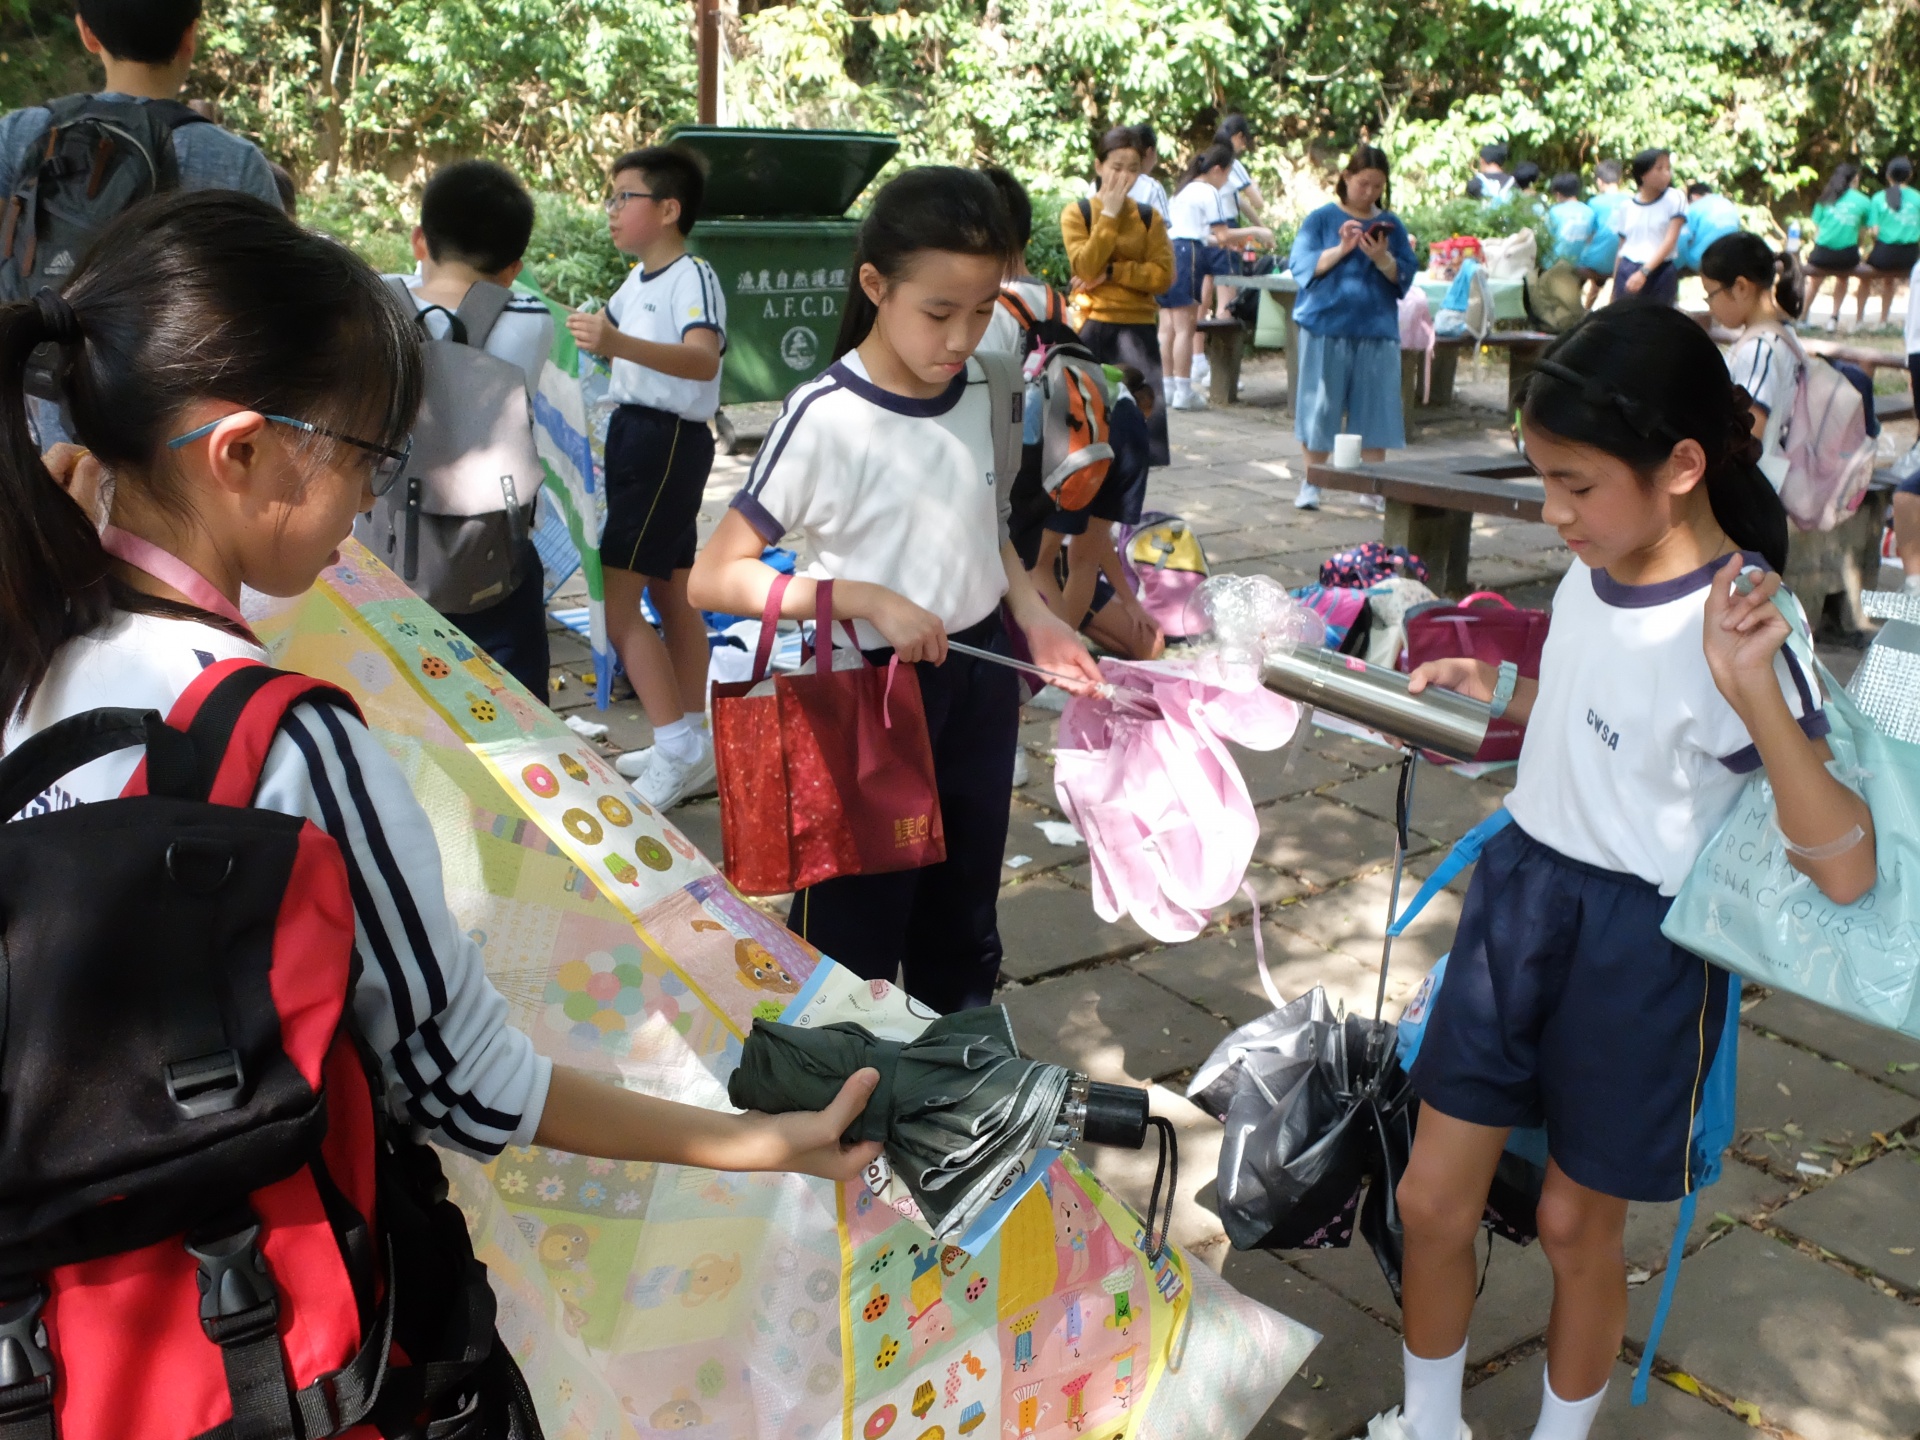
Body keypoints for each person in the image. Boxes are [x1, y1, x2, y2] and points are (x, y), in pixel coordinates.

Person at [0, 190, 881, 1424]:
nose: (372, 498)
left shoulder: (33, 635)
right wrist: (759, 1144)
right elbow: (465, 1087)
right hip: (247, 1335)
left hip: (52, 1327)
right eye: (363, 456)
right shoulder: (283, 741)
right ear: (238, 453)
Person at [1377, 303, 1875, 1440]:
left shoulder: (1744, 623)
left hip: (1642, 948)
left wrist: (1751, 690)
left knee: (1572, 1224)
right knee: (1430, 1198)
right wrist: (1507, 696)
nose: (1553, 512)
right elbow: (1608, 718)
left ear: (1682, 467)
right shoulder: (1595, 566)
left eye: (1577, 484)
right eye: (1543, 479)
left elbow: (1844, 866)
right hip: (1518, 903)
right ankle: (1428, 1424)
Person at [690, 167, 1103, 1014]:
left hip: (977, 680)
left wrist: (1036, 619)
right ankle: (840, 1086)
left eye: (982, 309)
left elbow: (987, 521)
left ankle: (958, 1075)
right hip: (867, 698)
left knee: (965, 920)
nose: (961, 337)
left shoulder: (989, 383)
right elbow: (713, 576)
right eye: (938, 312)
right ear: (876, 286)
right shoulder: (825, 416)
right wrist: (866, 597)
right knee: (854, 935)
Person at [564, 146, 727, 810]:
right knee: (672, 592)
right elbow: (612, 349)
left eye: (622, 197)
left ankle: (676, 747)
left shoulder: (693, 275)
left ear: (667, 209)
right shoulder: (635, 283)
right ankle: (691, 738)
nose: (611, 210)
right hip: (639, 438)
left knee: (616, 601)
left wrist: (614, 343)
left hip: (666, 443)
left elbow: (701, 358)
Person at [979, 165, 1164, 661]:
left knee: (1038, 564)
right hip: (1099, 426)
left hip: (1051, 441)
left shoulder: (989, 308)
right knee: (1074, 560)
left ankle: (1053, 669)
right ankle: (1064, 666)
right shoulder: (1053, 299)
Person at [394, 159, 557, 695]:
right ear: (514, 267)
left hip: (389, 550)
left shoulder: (373, 308)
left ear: (420, 240)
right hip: (492, 553)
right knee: (511, 700)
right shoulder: (531, 320)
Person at [1287, 144, 1416, 510]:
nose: (1369, 192)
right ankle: (1313, 482)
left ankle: (1372, 486)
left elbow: (1404, 275)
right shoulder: (1321, 219)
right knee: (1318, 409)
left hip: (1376, 327)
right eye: (1363, 184)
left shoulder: (1391, 224)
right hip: (1325, 325)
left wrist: (1382, 258)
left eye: (1377, 186)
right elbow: (1302, 266)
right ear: (1346, 177)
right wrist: (1343, 248)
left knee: (1376, 411)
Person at [1061, 127, 1175, 458]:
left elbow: (1163, 277)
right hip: (1092, 326)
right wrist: (1109, 215)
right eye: (1116, 167)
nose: (1124, 177)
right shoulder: (1078, 213)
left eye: (1133, 169)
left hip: (1139, 329)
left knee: (1141, 436)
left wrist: (1112, 272)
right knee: (1088, 432)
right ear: (1099, 166)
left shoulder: (1148, 218)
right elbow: (1085, 267)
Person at [1160, 144, 1271, 412]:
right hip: (1188, 256)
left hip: (1168, 252)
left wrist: (1226, 242)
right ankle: (1184, 390)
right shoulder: (1209, 191)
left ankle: (1167, 386)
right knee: (1185, 327)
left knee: (1167, 327)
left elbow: (1200, 235)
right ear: (1218, 170)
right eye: (1228, 175)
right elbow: (1221, 234)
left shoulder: (1182, 190)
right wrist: (1257, 231)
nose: (1226, 182)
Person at [1700, 230, 1806, 494]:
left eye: (1710, 294)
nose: (1710, 306)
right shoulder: (1784, 332)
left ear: (1740, 287)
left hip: (1752, 488)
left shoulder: (1759, 349)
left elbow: (1748, 433)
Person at [1609, 147, 1687, 306]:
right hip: (1628, 270)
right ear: (1643, 175)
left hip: (1660, 271)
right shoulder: (1627, 207)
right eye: (1659, 168)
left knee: (1658, 317)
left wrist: (1644, 272)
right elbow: (1622, 247)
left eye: (1668, 168)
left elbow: (1670, 240)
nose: (1666, 173)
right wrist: (1614, 287)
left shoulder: (1675, 198)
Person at [1806, 162, 1870, 330]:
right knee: (1843, 278)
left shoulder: (1825, 198)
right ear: (1855, 179)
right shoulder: (1863, 201)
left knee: (1814, 281)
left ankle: (1802, 316)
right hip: (1847, 255)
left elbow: (1817, 229)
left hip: (1822, 253)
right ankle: (1833, 318)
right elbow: (1863, 231)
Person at [1862, 157, 1918, 328]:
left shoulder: (1879, 198)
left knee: (1865, 276)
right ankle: (1905, 321)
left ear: (1888, 176)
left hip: (1884, 255)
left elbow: (1874, 231)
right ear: (1910, 175)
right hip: (1910, 256)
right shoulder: (1917, 198)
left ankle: (1863, 320)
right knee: (1892, 279)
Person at [1575, 160, 1627, 308]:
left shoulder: (1594, 203)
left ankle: (1583, 309)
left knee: (1578, 262)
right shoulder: (1630, 201)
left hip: (1597, 263)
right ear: (1620, 180)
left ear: (1599, 181)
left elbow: (1588, 234)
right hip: (1623, 261)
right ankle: (1590, 307)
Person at [1676, 181, 1742, 272]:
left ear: (1693, 196)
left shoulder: (1694, 208)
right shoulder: (1729, 205)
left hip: (1702, 261)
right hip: (1729, 258)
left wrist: (1675, 265)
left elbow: (1682, 240)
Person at [1545, 173, 1595, 266]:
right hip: (1581, 265)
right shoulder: (1589, 212)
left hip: (1556, 264)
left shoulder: (1554, 211)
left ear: (1558, 194)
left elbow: (1547, 239)